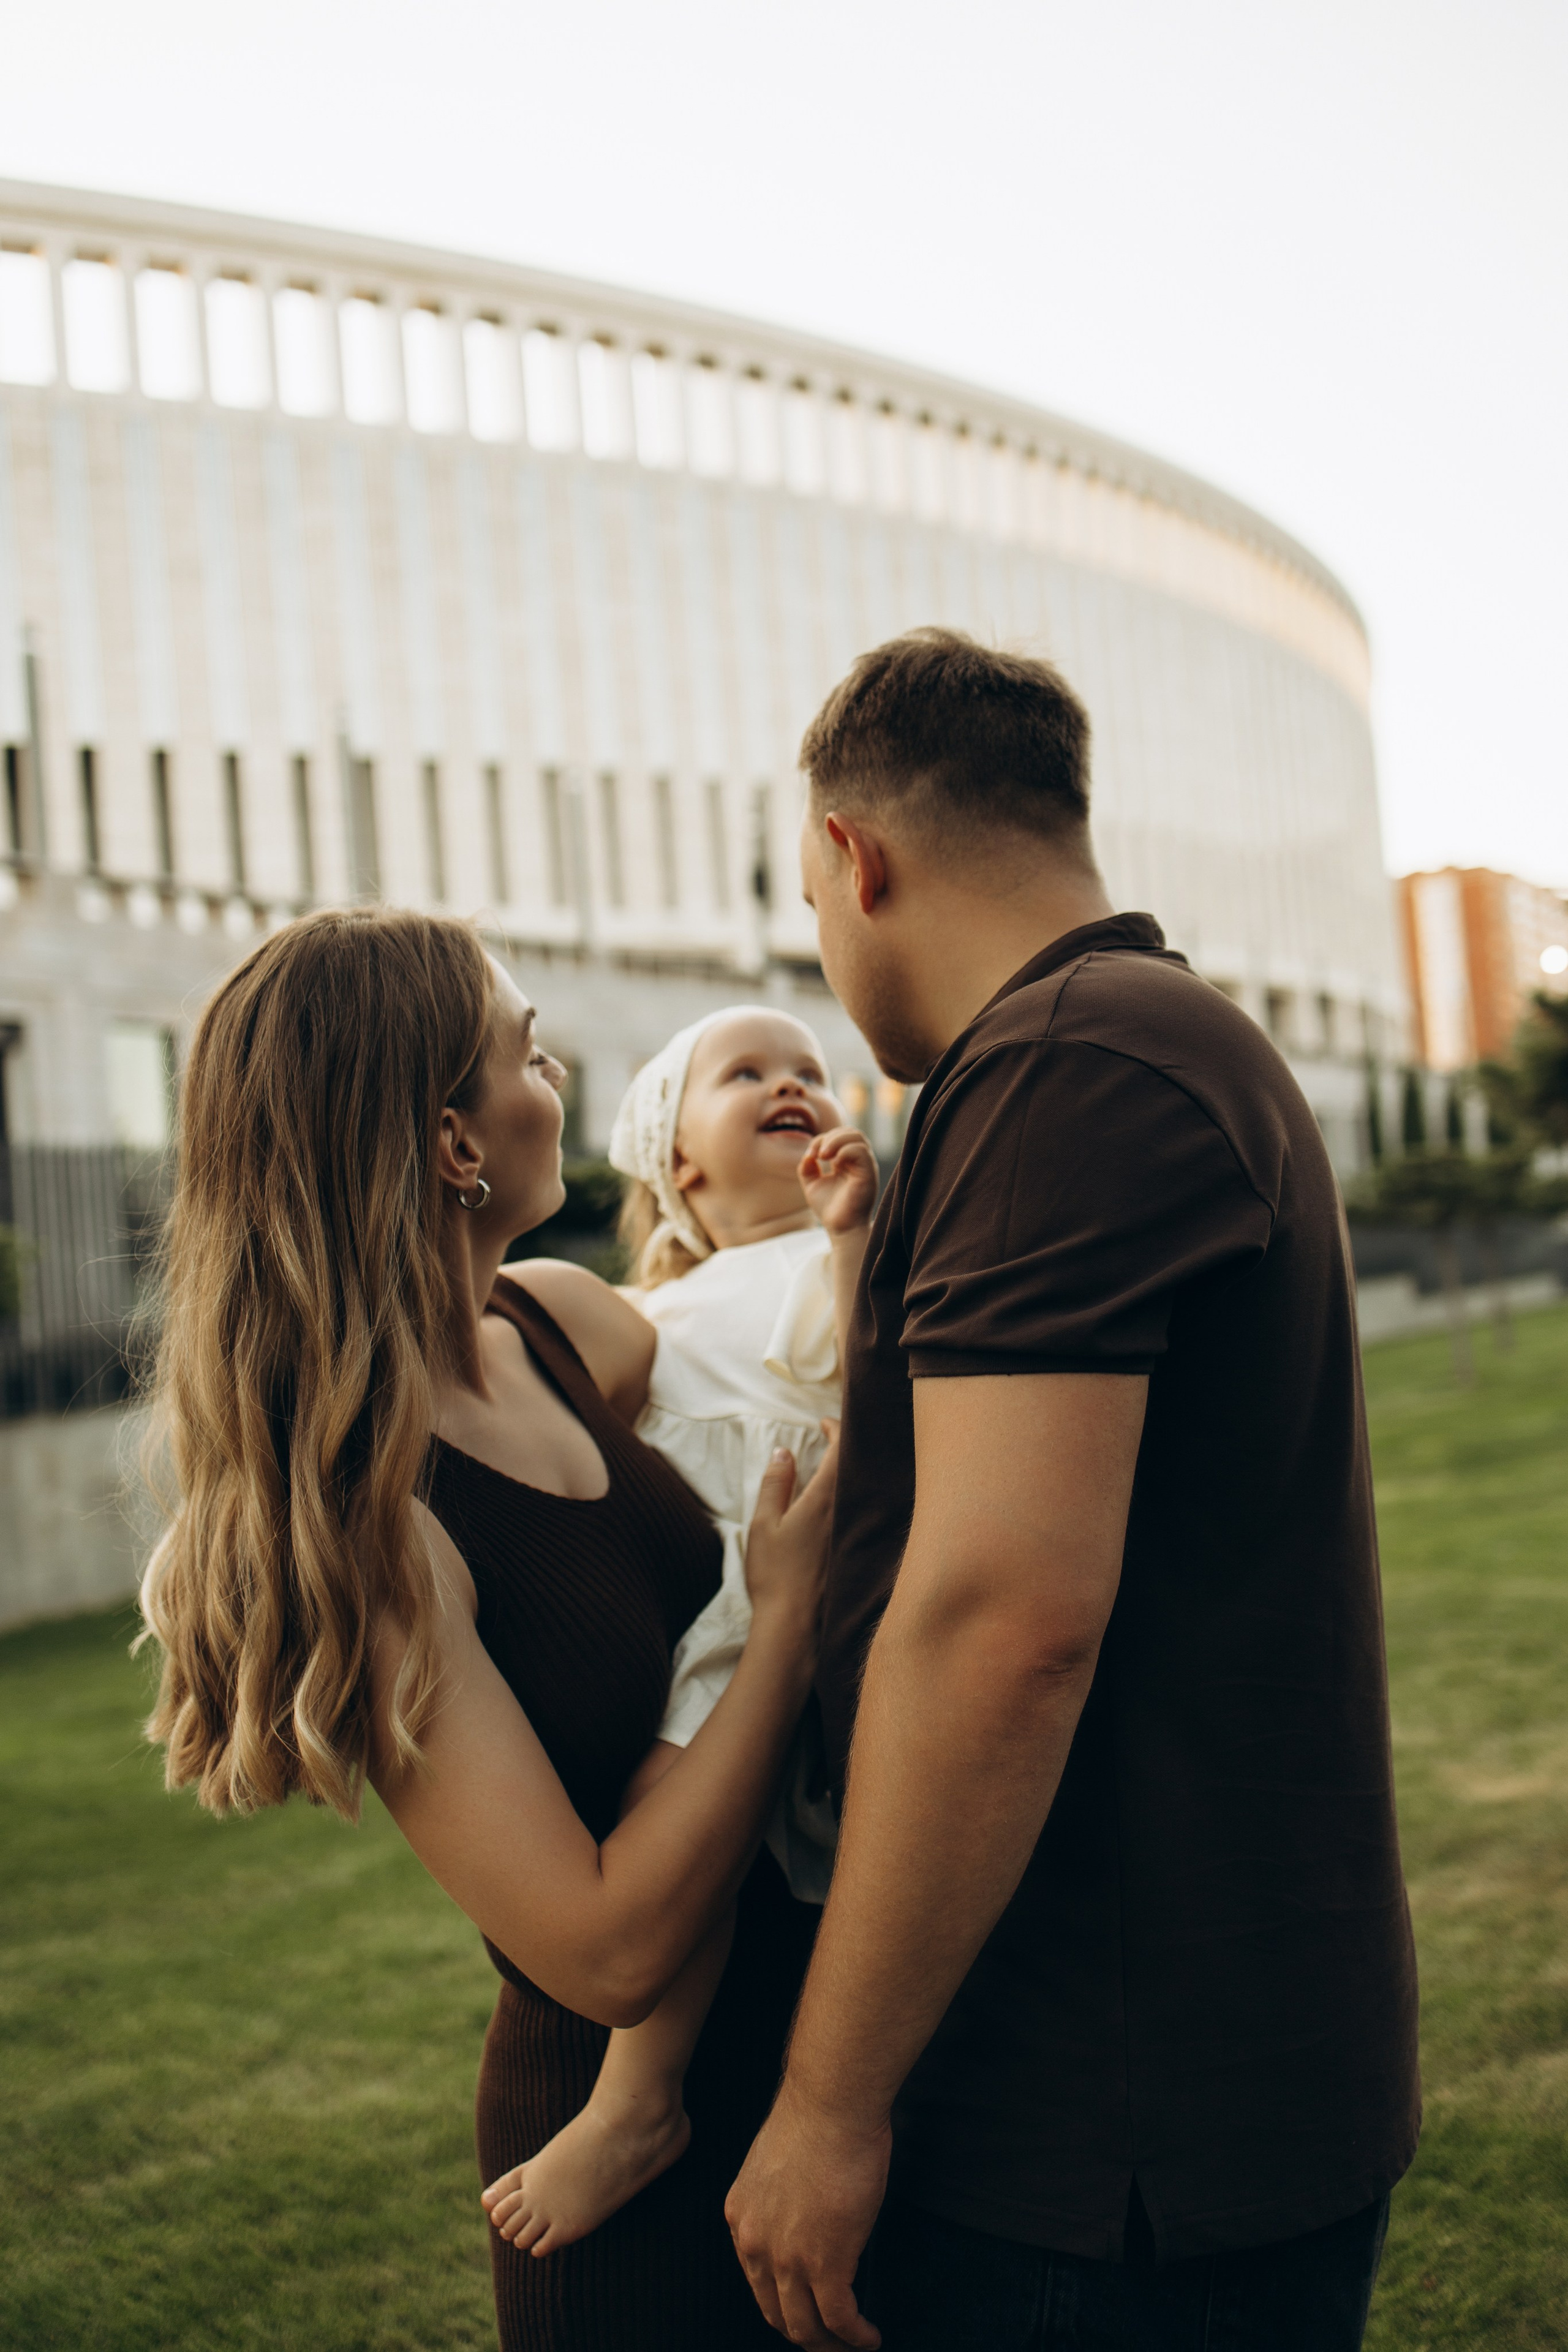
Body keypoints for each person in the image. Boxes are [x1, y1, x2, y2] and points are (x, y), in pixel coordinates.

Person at [726, 630, 1420, 2352]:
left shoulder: (1066, 1067)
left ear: (851, 856)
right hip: (1165, 2103)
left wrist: (827, 2101)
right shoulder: (1130, 1044)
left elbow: (1004, 1620)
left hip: (1103, 2145)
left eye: (812, 898)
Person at [137, 908, 836, 2352]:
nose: (556, 1078)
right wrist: (783, 1630)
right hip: (613, 2138)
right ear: (453, 1141)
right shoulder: (379, 1524)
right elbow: (603, 1950)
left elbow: (766, 1357)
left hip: (822, 2059)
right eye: (526, 1054)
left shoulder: (568, 1325)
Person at [482, 1005, 877, 2257]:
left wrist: (858, 1239)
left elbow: (882, 1380)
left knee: (682, 1782)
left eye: (811, 1072)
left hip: (806, 1560)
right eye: (746, 1072)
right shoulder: (652, 1311)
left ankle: (637, 2098)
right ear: (678, 1163)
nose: (791, 1084)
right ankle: (641, 2096)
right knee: (676, 1797)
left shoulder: (838, 1252)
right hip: (723, 1592)